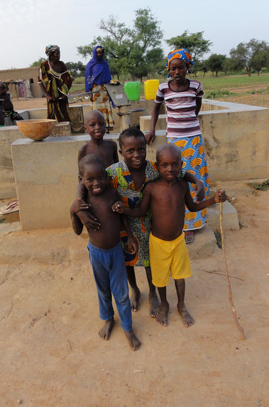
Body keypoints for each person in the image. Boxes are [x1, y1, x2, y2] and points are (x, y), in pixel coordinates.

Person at [75, 126, 204, 318]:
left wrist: (198, 182)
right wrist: (78, 206)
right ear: (121, 152)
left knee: (151, 261)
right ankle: (135, 289)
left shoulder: (154, 168)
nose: (137, 154)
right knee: (128, 261)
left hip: (151, 224)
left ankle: (153, 293)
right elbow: (86, 181)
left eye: (141, 149)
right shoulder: (112, 172)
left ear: (146, 148)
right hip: (124, 224)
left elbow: (180, 172)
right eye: (130, 151)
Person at [112, 143, 227, 328]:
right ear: (157, 166)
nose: (170, 169)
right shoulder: (151, 188)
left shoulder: (182, 186)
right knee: (160, 278)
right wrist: (124, 210)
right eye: (164, 165)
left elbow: (193, 207)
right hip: (157, 242)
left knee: (180, 277)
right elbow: (141, 211)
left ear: (181, 165)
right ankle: (164, 305)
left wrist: (214, 200)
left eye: (175, 164)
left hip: (178, 241)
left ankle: (181, 305)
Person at [70, 154, 141, 351]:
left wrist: (131, 237)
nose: (96, 183)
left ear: (106, 176)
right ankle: (108, 319)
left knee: (122, 292)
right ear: (81, 180)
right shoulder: (83, 203)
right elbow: (77, 231)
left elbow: (122, 219)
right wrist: (73, 211)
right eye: (90, 179)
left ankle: (127, 327)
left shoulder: (112, 194)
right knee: (103, 290)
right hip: (96, 253)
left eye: (101, 177)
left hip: (116, 251)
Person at [146, 48, 210, 245]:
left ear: (187, 67)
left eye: (180, 68)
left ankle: (193, 224)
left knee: (197, 179)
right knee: (177, 179)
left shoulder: (196, 86)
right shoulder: (163, 88)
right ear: (169, 69)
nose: (177, 72)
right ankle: (179, 221)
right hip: (174, 140)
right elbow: (156, 107)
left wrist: (189, 120)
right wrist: (151, 130)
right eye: (173, 69)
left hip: (194, 139)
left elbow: (197, 107)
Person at [38, 45, 74, 123]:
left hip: (62, 95)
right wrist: (48, 95)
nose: (59, 55)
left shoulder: (61, 65)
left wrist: (65, 94)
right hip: (51, 96)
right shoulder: (44, 65)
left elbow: (69, 80)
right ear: (51, 55)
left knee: (64, 114)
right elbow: (40, 82)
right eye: (57, 54)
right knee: (52, 115)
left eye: (59, 53)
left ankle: (66, 133)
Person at [85, 46, 114, 131]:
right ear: (94, 53)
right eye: (97, 53)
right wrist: (90, 92)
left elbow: (108, 77)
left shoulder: (105, 64)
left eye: (100, 52)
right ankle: (96, 129)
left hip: (105, 89)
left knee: (105, 107)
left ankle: (106, 127)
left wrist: (110, 89)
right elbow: (88, 78)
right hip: (95, 90)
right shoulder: (90, 64)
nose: (99, 54)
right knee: (96, 109)